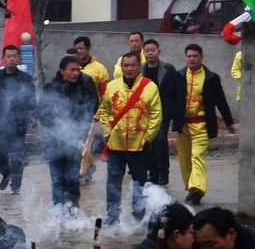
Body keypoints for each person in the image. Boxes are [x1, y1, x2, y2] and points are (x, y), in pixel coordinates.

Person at [99, 52, 161, 226]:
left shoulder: (150, 87)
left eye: (133, 65)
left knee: (139, 181)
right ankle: (112, 216)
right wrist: (107, 132)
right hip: (115, 143)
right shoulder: (112, 86)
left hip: (139, 144)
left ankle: (138, 217)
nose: (129, 69)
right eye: (125, 65)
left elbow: (156, 115)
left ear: (138, 65)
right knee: (113, 181)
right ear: (121, 67)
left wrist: (147, 137)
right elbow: (104, 111)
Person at [172, 44, 234, 206]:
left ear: (201, 57)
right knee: (185, 159)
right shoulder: (178, 76)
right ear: (185, 57)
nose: (192, 59)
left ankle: (198, 189)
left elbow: (221, 101)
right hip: (183, 126)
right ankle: (191, 189)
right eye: (189, 56)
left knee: (197, 156)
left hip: (202, 125)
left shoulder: (211, 78)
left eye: (195, 56)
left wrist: (228, 122)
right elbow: (170, 99)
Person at [41, 56, 98, 213]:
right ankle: (58, 211)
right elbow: (43, 113)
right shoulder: (51, 89)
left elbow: (90, 109)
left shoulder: (83, 89)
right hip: (55, 142)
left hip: (75, 141)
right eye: (72, 70)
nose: (75, 73)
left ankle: (74, 209)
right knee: (57, 180)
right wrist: (58, 126)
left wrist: (81, 130)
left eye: (78, 70)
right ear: (62, 71)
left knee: (73, 179)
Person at [0, 45, 35, 195]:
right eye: (8, 56)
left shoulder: (26, 78)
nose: (11, 59)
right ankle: (6, 172)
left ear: (18, 58)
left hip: (19, 122)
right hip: (1, 122)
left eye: (14, 56)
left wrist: (31, 118)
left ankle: (16, 186)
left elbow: (31, 100)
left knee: (18, 155)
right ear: (3, 58)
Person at [140, 39, 182, 186]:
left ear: (159, 51)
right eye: (147, 51)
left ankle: (164, 172)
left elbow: (175, 92)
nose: (150, 53)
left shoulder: (168, 70)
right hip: (144, 113)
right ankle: (152, 173)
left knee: (160, 141)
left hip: (162, 112)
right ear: (143, 53)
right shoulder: (140, 70)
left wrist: (171, 111)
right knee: (147, 142)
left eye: (153, 50)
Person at [73, 36, 110, 180]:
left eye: (81, 48)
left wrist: (100, 113)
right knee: (78, 143)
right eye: (76, 49)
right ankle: (87, 166)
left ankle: (82, 172)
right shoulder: (72, 67)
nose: (79, 51)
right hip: (75, 113)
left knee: (86, 143)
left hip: (92, 114)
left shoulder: (99, 69)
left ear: (88, 49)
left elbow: (104, 94)